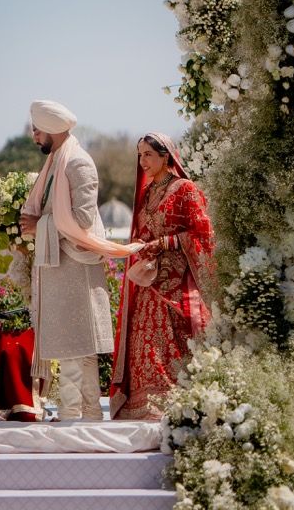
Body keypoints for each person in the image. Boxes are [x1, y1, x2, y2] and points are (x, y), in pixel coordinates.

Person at [20, 100, 143, 421]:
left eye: (36, 129)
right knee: (79, 347)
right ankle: (88, 413)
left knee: (76, 346)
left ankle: (72, 414)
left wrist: (40, 226)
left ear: (50, 128)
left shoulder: (77, 163)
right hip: (63, 265)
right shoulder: (58, 161)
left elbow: (84, 219)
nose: (33, 136)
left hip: (76, 263)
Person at [109, 132, 214, 421]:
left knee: (169, 346)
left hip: (176, 285)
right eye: (140, 155)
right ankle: (141, 406)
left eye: (148, 155)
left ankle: (174, 407)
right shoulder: (145, 194)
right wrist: (142, 246)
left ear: (165, 156)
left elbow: (203, 233)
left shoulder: (185, 189)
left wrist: (165, 243)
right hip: (147, 283)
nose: (142, 161)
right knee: (143, 344)